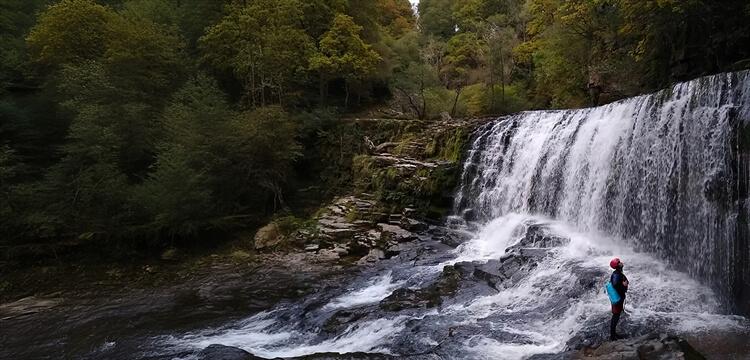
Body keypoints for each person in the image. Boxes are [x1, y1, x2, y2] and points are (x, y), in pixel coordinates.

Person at [609, 257, 629, 340]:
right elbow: (615, 285)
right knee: (615, 316)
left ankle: (613, 334)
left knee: (616, 315)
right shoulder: (616, 274)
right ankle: (612, 336)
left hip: (618, 297)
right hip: (618, 298)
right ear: (617, 265)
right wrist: (624, 286)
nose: (621, 263)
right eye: (619, 262)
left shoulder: (618, 273)